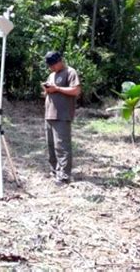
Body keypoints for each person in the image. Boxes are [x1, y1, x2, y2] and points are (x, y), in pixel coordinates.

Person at [43, 51, 81, 185]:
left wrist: (57, 89)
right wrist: (47, 90)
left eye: (53, 65)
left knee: (62, 146)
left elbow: (76, 91)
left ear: (60, 61)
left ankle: (64, 176)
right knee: (51, 145)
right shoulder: (52, 75)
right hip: (49, 114)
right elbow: (49, 91)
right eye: (49, 66)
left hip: (62, 115)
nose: (51, 68)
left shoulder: (70, 72)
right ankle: (55, 171)